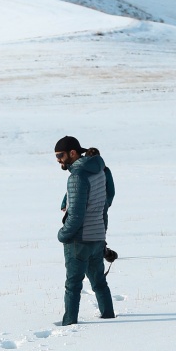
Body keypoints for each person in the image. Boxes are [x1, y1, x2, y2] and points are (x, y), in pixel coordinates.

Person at [54, 135, 116, 325]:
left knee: (72, 285)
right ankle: (108, 317)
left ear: (73, 153)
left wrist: (62, 234)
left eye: (60, 155)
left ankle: (69, 324)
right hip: (97, 236)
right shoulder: (99, 171)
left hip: (79, 240)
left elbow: (77, 215)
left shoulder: (77, 176)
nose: (58, 160)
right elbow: (106, 201)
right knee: (99, 282)